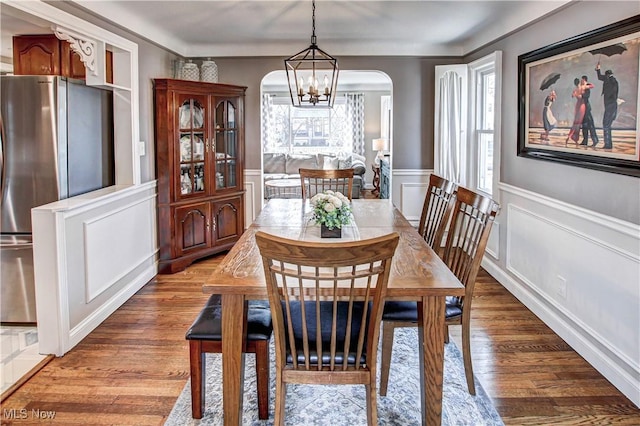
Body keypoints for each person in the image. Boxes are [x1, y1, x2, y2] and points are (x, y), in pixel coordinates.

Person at [596, 65, 619, 149]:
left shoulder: (609, 80)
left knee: (606, 124)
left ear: (607, 75)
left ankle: (608, 145)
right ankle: (609, 144)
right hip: (612, 106)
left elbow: (600, 77)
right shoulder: (614, 81)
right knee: (607, 125)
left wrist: (598, 69)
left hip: (610, 106)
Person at [579, 75, 598, 147]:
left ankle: (595, 140)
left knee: (590, 125)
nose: (581, 82)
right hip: (582, 108)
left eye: (582, 80)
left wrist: (582, 92)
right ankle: (585, 140)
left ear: (585, 80)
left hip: (587, 108)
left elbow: (586, 96)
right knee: (584, 125)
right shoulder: (581, 87)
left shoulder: (587, 87)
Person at [566, 78, 586, 144]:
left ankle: (571, 136)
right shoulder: (581, 88)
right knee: (578, 123)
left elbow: (573, 96)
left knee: (576, 123)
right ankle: (573, 137)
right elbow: (582, 96)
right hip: (581, 106)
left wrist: (575, 94)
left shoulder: (575, 90)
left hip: (578, 105)